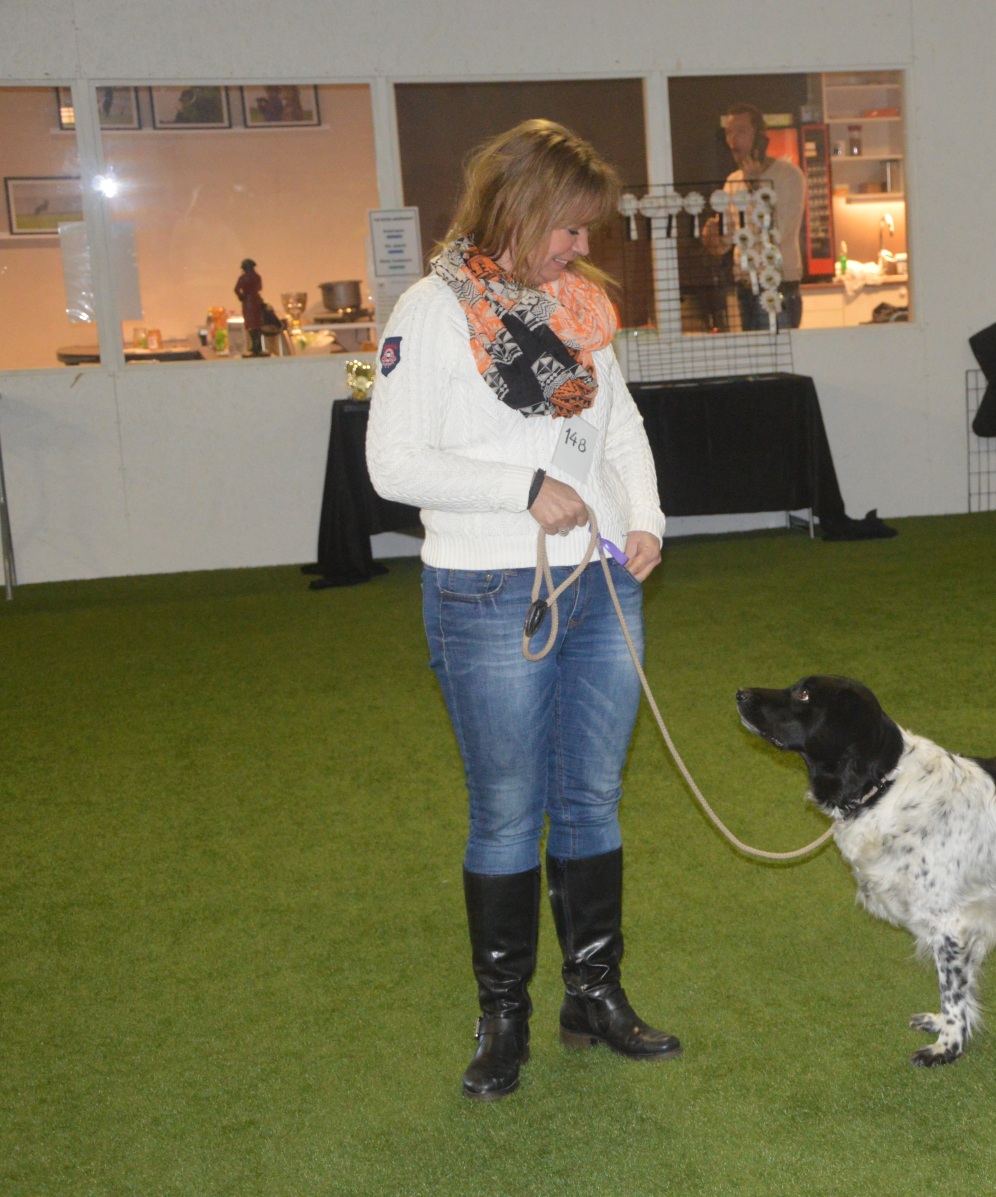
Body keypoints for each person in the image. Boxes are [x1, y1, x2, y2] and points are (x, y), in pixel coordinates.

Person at [366, 119, 679, 1102]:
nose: (582, 247)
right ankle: (503, 1017)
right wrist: (524, 488)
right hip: (488, 590)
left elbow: (618, 424)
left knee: (591, 799)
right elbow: (392, 465)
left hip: (601, 584)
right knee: (507, 810)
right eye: (571, 227)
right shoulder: (429, 312)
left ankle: (595, 996)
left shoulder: (577, 306)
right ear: (521, 208)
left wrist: (646, 519)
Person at [702, 103, 806, 330]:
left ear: (759, 137)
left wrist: (755, 188)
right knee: (754, 353)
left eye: (741, 131)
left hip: (778, 286)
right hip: (745, 288)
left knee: (778, 352)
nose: (733, 140)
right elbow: (726, 241)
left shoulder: (789, 175)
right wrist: (712, 238)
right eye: (729, 132)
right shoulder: (732, 181)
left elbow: (780, 232)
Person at [234, 259, 268, 356]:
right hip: (256, 301)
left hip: (248, 302)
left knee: (251, 325)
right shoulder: (257, 277)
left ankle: (255, 346)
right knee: (257, 325)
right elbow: (260, 288)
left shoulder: (243, 278)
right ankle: (258, 346)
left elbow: (236, 289)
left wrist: (242, 297)